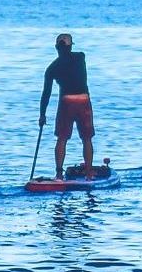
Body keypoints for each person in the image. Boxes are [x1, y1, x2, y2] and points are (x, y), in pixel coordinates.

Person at [39, 33, 96, 179]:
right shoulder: (80, 57)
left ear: (56, 47)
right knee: (87, 138)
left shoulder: (52, 68)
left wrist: (42, 115)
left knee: (62, 138)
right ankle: (89, 173)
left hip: (66, 102)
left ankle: (59, 174)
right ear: (70, 46)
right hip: (83, 101)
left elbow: (46, 93)